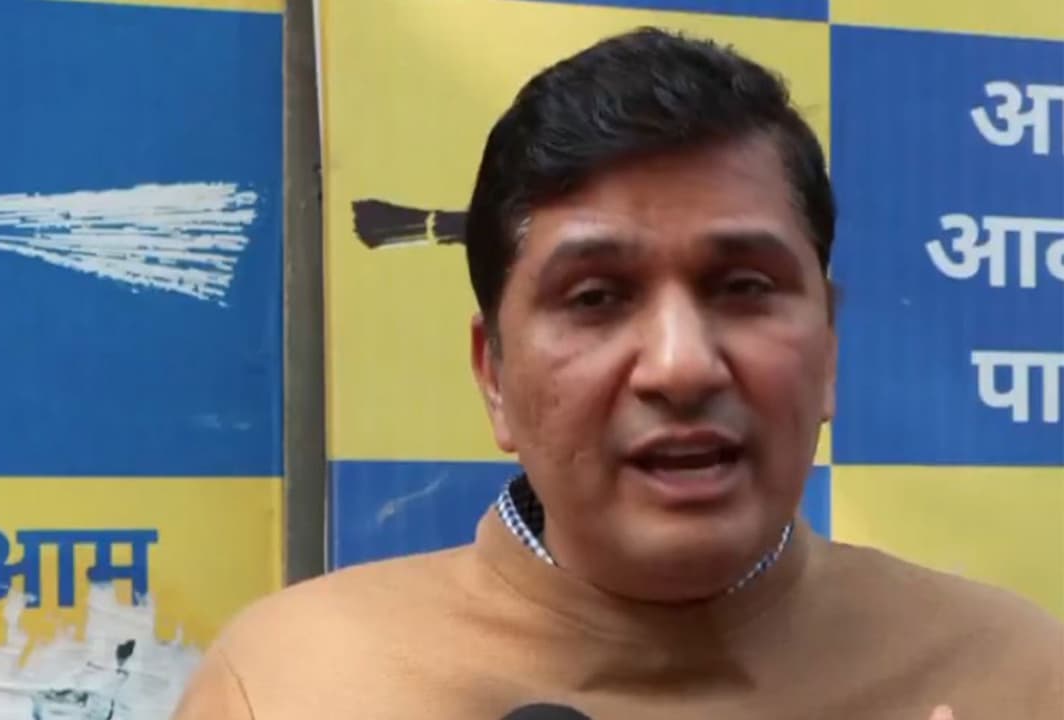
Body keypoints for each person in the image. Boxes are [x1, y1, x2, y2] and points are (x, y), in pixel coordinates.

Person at [173, 27, 1063, 719]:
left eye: (743, 288)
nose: (681, 366)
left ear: (828, 348)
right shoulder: (296, 683)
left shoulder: (1016, 675)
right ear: (494, 375)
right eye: (596, 298)